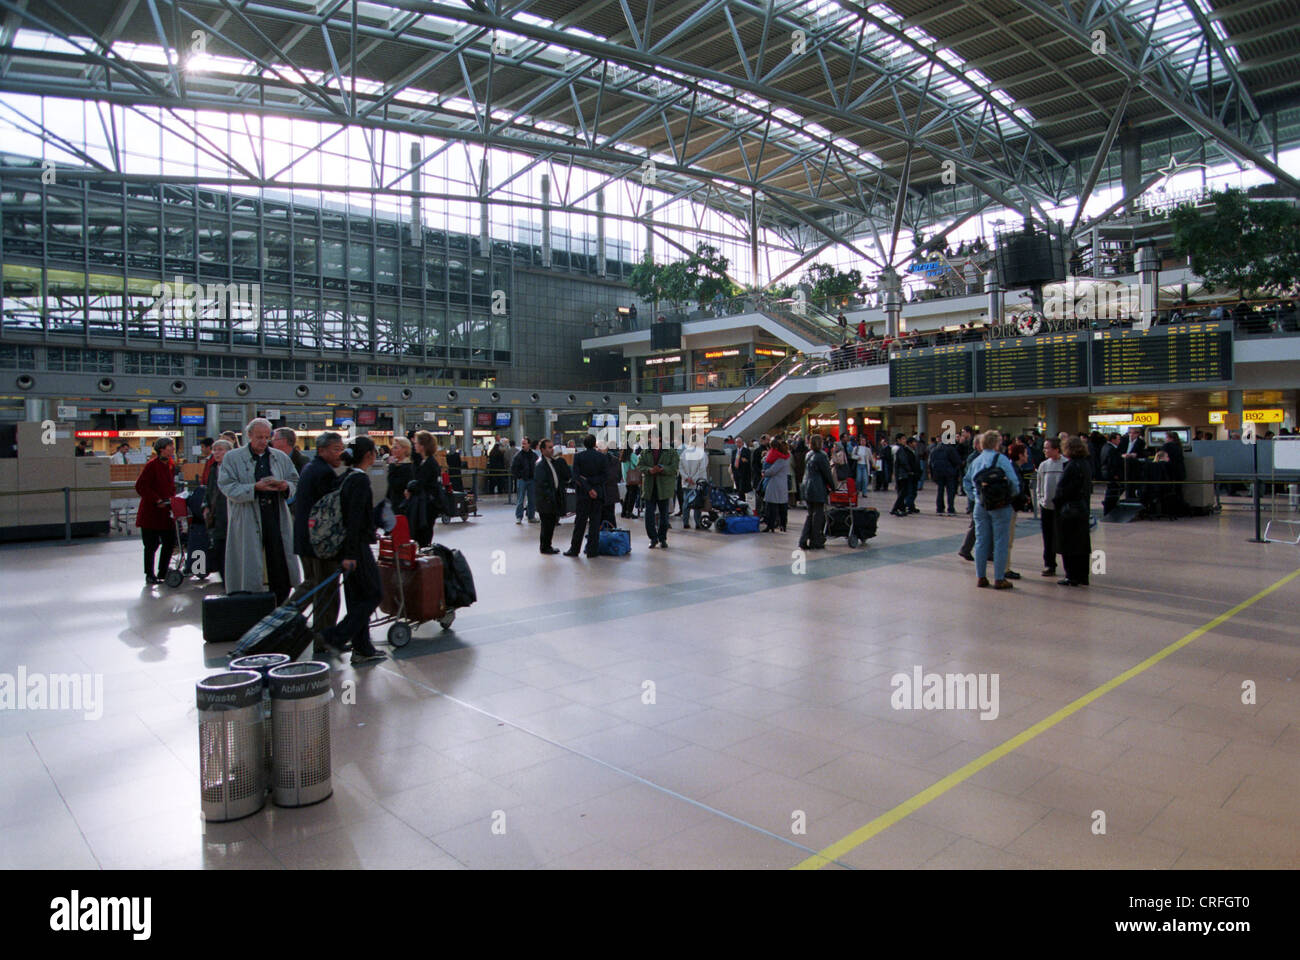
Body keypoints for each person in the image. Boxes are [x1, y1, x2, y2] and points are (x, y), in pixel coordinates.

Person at [315, 437, 386, 666]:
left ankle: (362, 648)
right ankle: (336, 636)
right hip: (356, 549)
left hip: (346, 546)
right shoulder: (359, 481)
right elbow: (355, 520)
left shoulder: (345, 478)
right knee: (374, 593)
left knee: (357, 598)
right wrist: (351, 554)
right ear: (369, 455)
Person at [218, 417, 302, 604]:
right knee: (249, 562)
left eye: (267, 437)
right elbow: (226, 486)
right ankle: (250, 601)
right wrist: (253, 488)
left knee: (279, 560)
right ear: (248, 436)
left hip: (275, 516)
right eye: (259, 437)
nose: (264, 441)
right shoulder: (233, 458)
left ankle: (280, 598)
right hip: (247, 517)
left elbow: (295, 481)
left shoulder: (279, 457)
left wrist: (284, 486)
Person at [289, 431, 344, 642]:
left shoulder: (310, 468)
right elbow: (331, 511)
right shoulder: (324, 473)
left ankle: (285, 615)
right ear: (321, 450)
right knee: (326, 589)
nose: (340, 454)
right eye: (335, 450)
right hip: (319, 542)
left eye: (341, 449)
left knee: (313, 582)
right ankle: (324, 636)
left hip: (305, 539)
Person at [962, 430, 1020, 589]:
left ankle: (981, 577)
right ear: (996, 443)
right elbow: (1014, 482)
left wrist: (975, 497)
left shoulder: (976, 460)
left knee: (981, 540)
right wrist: (1010, 496)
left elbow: (966, 481)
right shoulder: (1001, 459)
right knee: (1000, 541)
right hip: (1000, 505)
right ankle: (999, 578)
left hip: (981, 505)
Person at [134, 437, 177, 585]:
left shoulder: (170, 464)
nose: (173, 448)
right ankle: (149, 574)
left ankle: (163, 572)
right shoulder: (152, 465)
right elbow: (141, 486)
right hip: (151, 513)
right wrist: (156, 499)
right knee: (151, 545)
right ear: (161, 449)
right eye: (170, 446)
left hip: (166, 512)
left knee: (169, 542)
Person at [1054, 437, 1094, 587]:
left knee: (1068, 543)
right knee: (1082, 543)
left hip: (1069, 510)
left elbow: (1063, 489)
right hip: (1082, 508)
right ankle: (1083, 575)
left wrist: (1057, 501)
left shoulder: (1071, 466)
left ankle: (1071, 575)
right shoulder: (1085, 464)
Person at [565, 435, 607, 558]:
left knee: (580, 523)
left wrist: (587, 486)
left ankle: (574, 549)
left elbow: (576, 476)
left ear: (583, 444)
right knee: (594, 524)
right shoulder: (602, 457)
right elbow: (605, 476)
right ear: (595, 444)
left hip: (583, 494)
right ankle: (592, 550)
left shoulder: (578, 457)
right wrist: (593, 487)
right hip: (597, 494)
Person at [641, 427, 679, 550]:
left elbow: (674, 468)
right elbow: (640, 466)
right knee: (649, 515)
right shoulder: (645, 452)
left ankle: (662, 538)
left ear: (660, 438)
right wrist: (649, 470)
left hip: (664, 488)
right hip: (650, 487)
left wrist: (663, 469)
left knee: (664, 515)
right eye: (650, 437)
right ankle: (653, 538)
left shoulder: (671, 452)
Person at [1035, 437, 1066, 578]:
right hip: (1047, 507)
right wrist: (1041, 499)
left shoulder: (1066, 464)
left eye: (1047, 448)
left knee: (1063, 536)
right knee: (1047, 537)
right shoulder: (1043, 465)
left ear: (1056, 449)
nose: (1044, 450)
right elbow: (1039, 485)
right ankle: (1049, 564)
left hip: (1062, 508)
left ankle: (1068, 566)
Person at [202, 439, 232, 582]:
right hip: (217, 515)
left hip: (230, 514)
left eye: (221, 450)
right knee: (219, 548)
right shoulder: (213, 469)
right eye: (215, 450)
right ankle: (225, 580)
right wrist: (206, 506)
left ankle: (229, 581)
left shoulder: (233, 468)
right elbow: (209, 491)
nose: (217, 453)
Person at [534, 438, 569, 555]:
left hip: (553, 499)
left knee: (550, 524)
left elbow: (565, 475)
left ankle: (547, 545)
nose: (552, 449)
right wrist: (549, 497)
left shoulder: (553, 462)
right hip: (546, 500)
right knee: (546, 525)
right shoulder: (540, 465)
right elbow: (542, 485)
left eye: (552, 447)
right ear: (542, 450)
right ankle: (545, 547)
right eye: (549, 447)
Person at [799, 434, 834, 550]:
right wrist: (833, 487)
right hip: (817, 488)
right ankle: (815, 540)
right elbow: (827, 473)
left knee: (810, 514)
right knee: (818, 516)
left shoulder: (808, 454)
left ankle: (803, 539)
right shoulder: (822, 456)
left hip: (807, 486)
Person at [411, 431, 442, 546]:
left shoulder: (430, 464)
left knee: (424, 536)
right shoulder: (423, 462)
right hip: (423, 504)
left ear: (423, 446)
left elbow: (421, 483)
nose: (414, 445)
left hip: (428, 506)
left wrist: (411, 488)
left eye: (417, 443)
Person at [957, 434, 983, 561]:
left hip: (979, 497)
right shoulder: (974, 458)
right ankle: (965, 549)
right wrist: (972, 495)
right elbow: (969, 479)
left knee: (979, 524)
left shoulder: (980, 457)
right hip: (977, 497)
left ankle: (968, 549)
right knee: (976, 525)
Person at [762, 439, 792, 532]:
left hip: (775, 484)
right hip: (782, 485)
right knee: (783, 507)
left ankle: (771, 525)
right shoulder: (786, 458)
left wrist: (764, 472)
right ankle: (783, 525)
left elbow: (772, 471)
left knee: (772, 507)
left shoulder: (780, 460)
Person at [680, 437, 707, 530]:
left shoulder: (684, 453)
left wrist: (687, 478)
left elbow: (680, 467)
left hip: (686, 483)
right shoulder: (702, 453)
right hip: (698, 483)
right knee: (697, 503)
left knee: (686, 502)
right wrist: (695, 479)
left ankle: (685, 522)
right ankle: (697, 523)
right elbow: (702, 469)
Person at [929, 437, 961, 514]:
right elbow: (957, 461)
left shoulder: (934, 449)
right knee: (950, 491)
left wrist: (933, 474)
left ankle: (939, 508)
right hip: (949, 473)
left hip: (938, 473)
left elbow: (930, 462)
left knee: (940, 490)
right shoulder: (950, 449)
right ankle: (950, 508)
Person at [891, 434, 919, 517]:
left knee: (902, 492)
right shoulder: (900, 449)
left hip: (899, 473)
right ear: (898, 440)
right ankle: (895, 509)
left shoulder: (898, 449)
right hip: (902, 474)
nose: (904, 441)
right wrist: (909, 470)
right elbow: (903, 461)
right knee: (903, 492)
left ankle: (901, 508)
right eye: (903, 439)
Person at [511, 437, 538, 524]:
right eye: (522, 443)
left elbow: (537, 466)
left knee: (532, 499)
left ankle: (531, 516)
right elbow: (514, 468)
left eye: (525, 443)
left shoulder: (534, 456)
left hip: (532, 480)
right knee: (520, 499)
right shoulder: (518, 456)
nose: (523, 445)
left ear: (529, 444)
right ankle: (519, 517)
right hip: (522, 480)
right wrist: (519, 476)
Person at [385, 436, 415, 507]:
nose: (392, 450)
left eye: (396, 447)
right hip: (393, 502)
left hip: (402, 504)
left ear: (405, 449)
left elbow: (395, 485)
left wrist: (392, 466)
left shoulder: (407, 467)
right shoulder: (397, 465)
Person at [1099, 432, 1123, 515]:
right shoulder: (1112, 449)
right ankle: (1109, 509)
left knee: (1111, 491)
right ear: (1113, 440)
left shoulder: (1105, 447)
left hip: (1105, 472)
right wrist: (1115, 474)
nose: (1120, 441)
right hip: (1111, 474)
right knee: (1113, 491)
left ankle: (1108, 507)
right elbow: (1112, 463)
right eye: (1118, 439)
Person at [620, 443, 641, 518]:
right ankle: (629, 512)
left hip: (627, 478)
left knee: (628, 494)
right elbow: (639, 464)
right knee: (632, 496)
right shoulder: (632, 455)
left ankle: (624, 512)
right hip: (633, 478)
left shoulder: (623, 455)